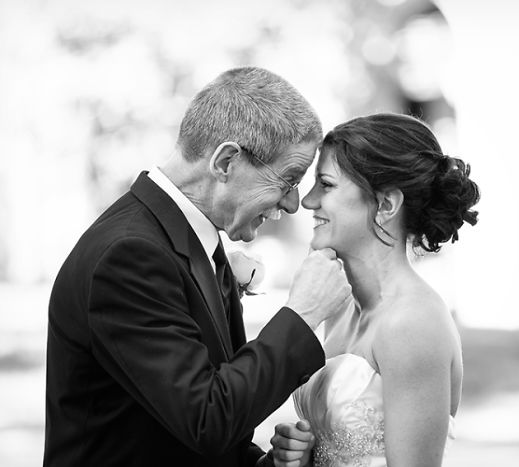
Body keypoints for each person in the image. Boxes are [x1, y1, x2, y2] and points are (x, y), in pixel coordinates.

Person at [43, 66, 353, 467]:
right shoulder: (130, 255)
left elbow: (184, 421)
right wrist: (302, 314)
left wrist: (264, 463)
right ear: (226, 162)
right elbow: (207, 420)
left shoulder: (183, 240)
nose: (293, 204)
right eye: (288, 179)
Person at [269, 113, 480, 467]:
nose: (307, 201)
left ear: (385, 204)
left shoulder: (413, 324)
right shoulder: (339, 309)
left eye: (327, 185)